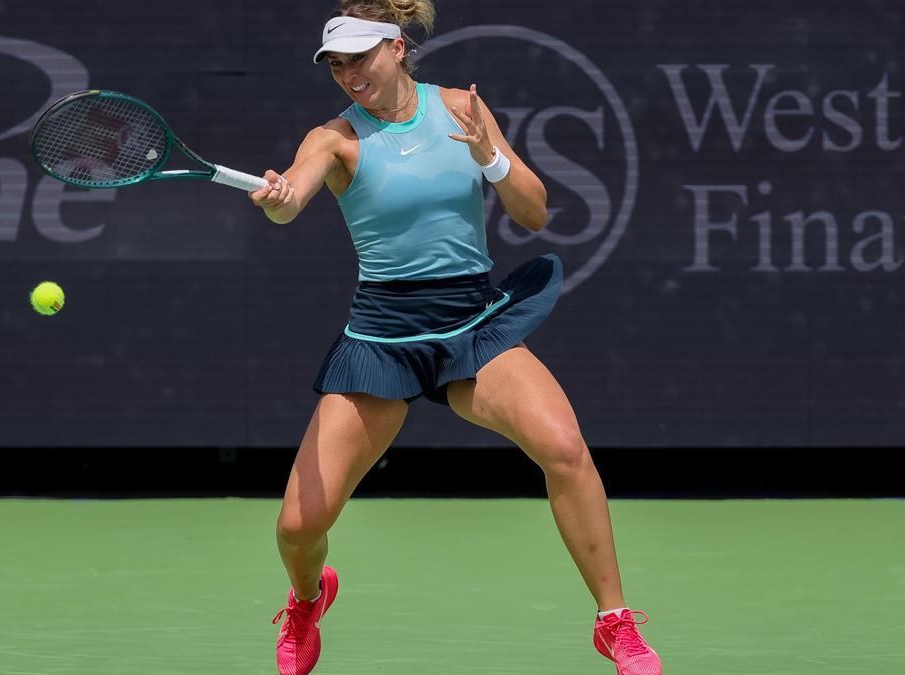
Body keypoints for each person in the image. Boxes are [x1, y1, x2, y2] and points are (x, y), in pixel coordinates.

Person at [249, 1, 663, 673]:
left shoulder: (460, 109)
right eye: (336, 64)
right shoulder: (333, 138)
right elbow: (291, 199)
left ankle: (615, 620)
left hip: (471, 324)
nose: (348, 73)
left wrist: (489, 158)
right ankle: (306, 597)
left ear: (396, 47)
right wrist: (278, 197)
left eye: (359, 57)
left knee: (563, 444)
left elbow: (534, 211)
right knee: (298, 526)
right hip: (382, 338)